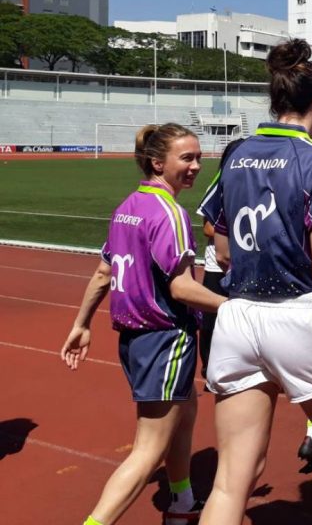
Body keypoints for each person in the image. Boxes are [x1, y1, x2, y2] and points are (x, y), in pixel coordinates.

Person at [198, 39, 312, 525]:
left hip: (237, 316)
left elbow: (221, 240)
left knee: (232, 479)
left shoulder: (238, 153)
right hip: (297, 316)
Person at [61, 123, 226, 525]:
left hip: (135, 341)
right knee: (148, 449)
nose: (196, 166)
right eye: (186, 158)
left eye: (198, 157)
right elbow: (183, 288)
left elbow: (103, 272)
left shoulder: (127, 207)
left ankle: (182, 501)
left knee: (185, 412)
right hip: (165, 338)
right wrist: (236, 306)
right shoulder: (169, 213)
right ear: (158, 162)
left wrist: (82, 324)